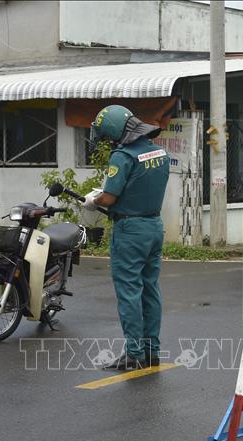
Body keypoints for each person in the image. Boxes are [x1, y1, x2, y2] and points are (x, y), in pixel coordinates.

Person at [83, 105, 170, 371]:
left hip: (130, 231)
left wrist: (93, 200)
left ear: (112, 132)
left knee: (130, 291)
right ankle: (152, 351)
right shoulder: (160, 152)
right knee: (150, 289)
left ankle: (134, 354)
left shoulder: (123, 156)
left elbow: (109, 198)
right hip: (154, 226)